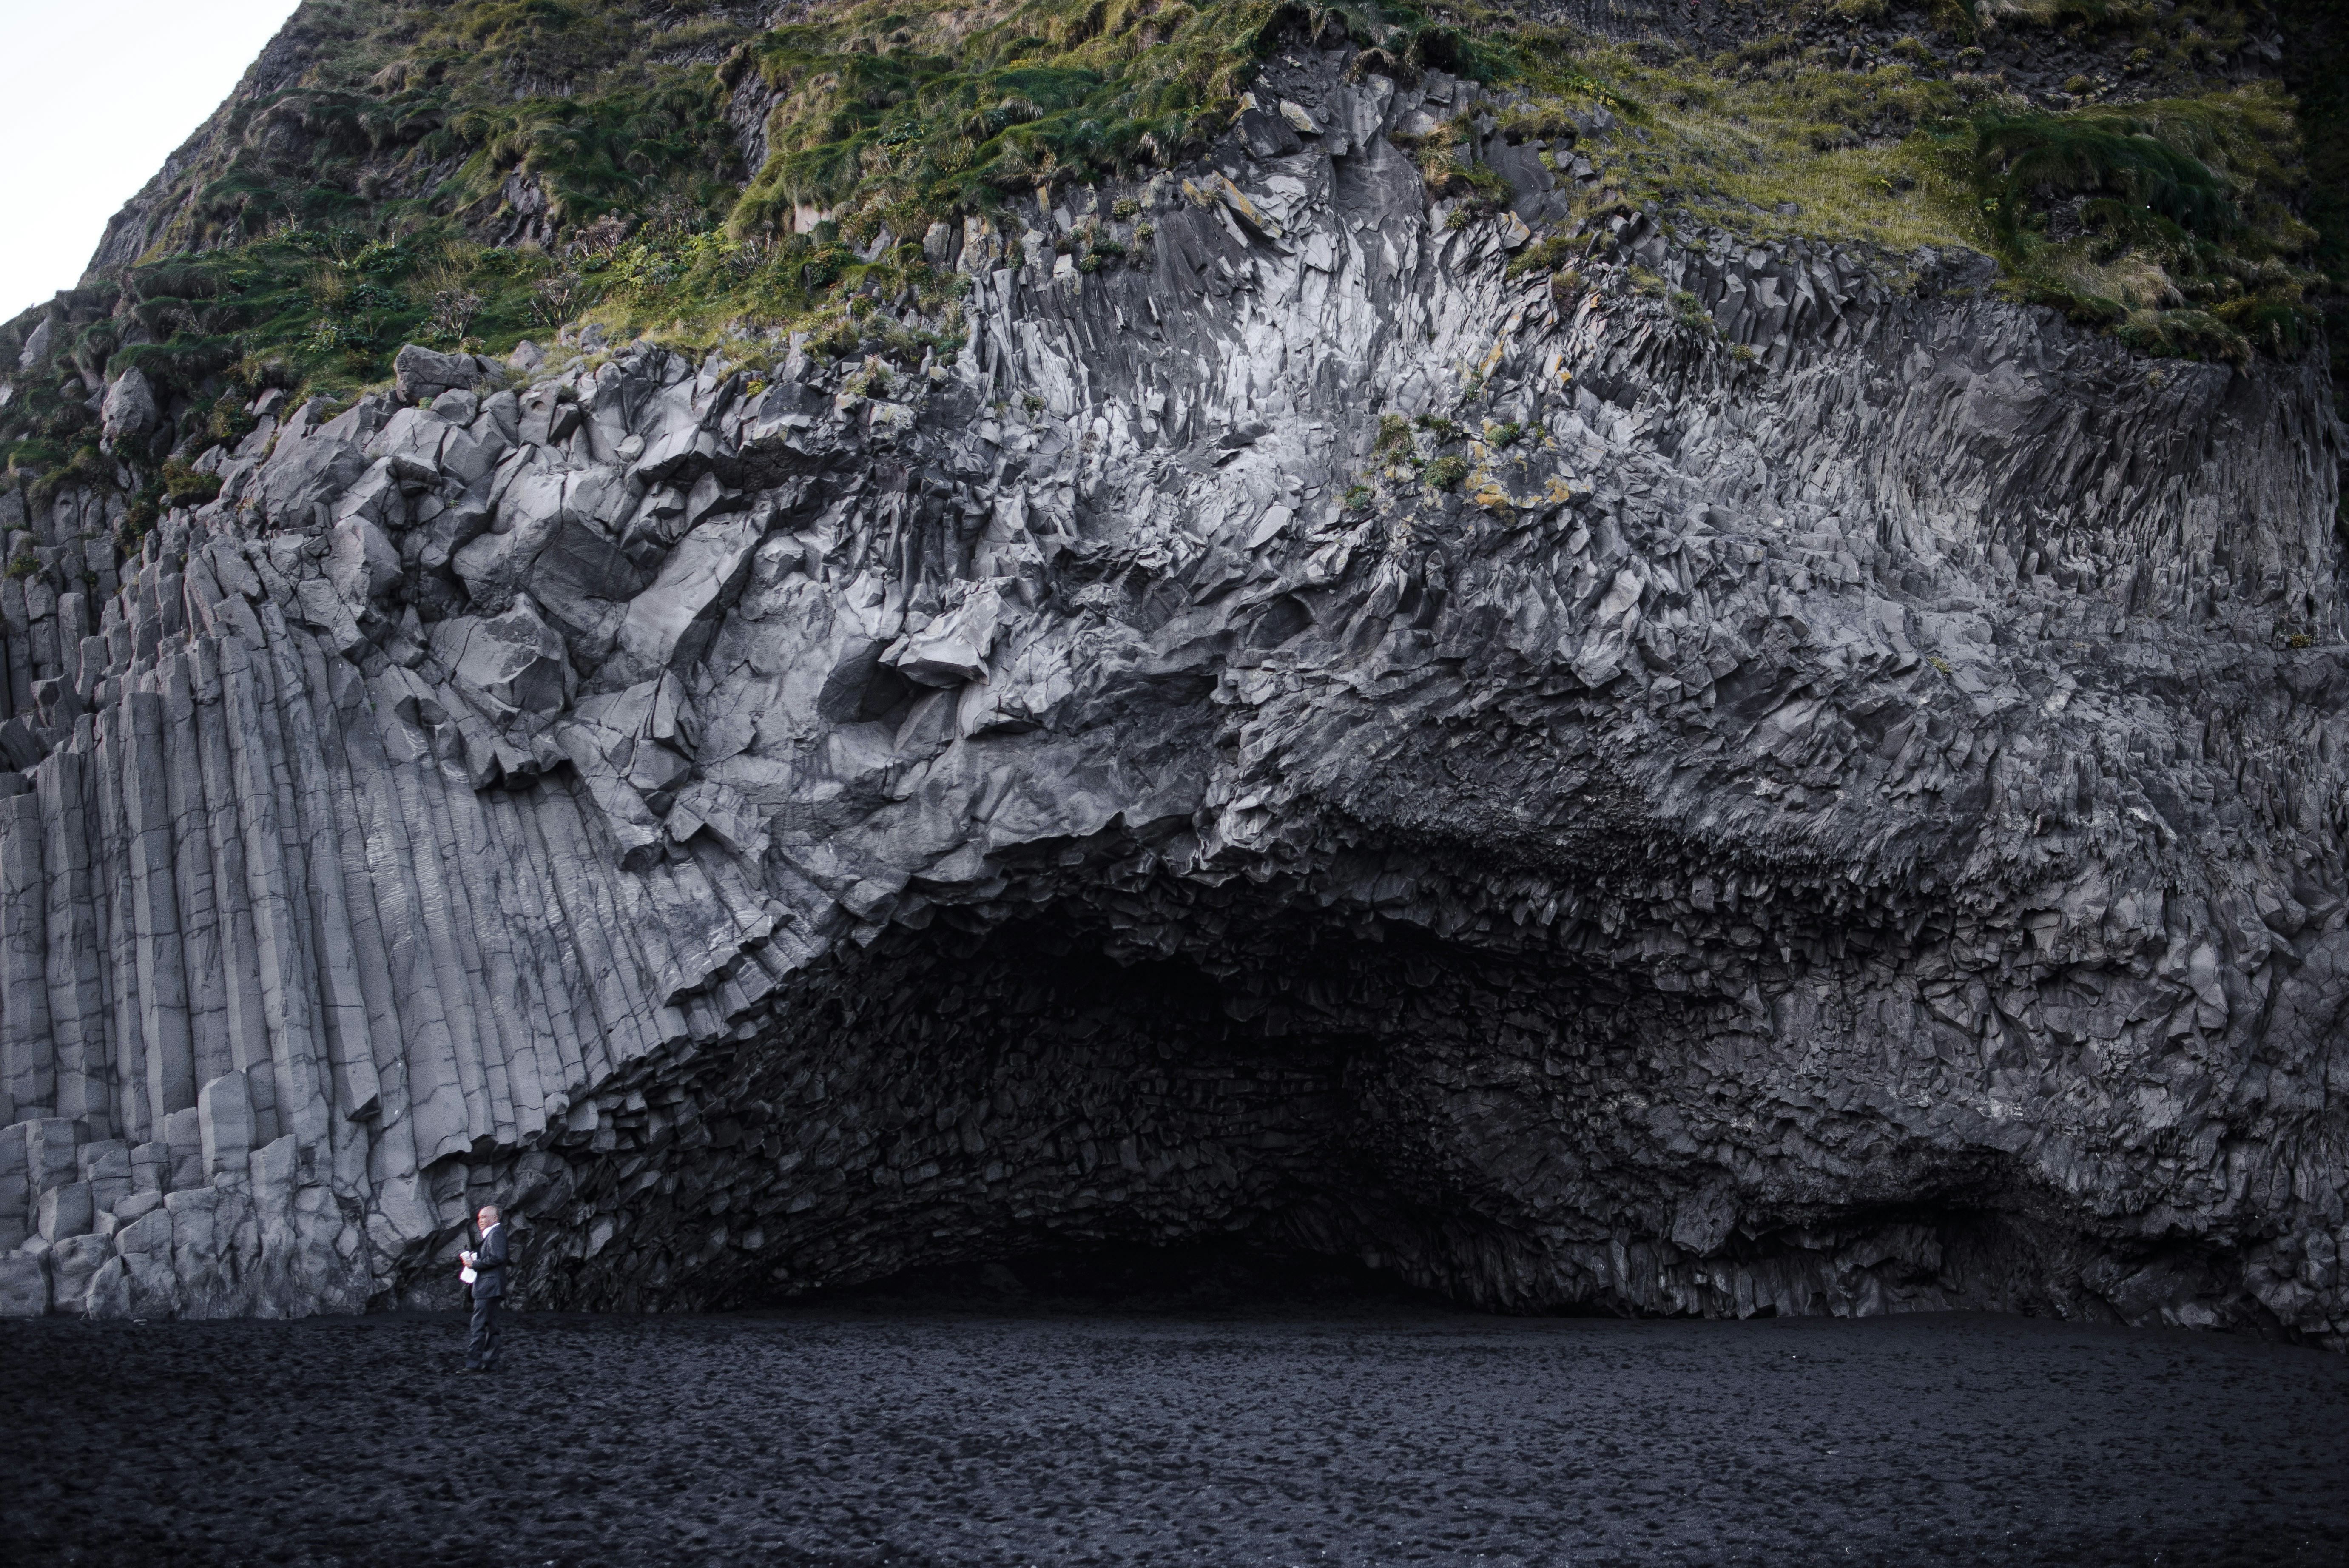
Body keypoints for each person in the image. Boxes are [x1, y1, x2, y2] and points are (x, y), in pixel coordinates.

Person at [459, 1205, 509, 1374]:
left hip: (488, 1288)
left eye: (484, 1217)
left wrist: (475, 1264)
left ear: (495, 1219)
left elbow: (497, 1257)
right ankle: (491, 1365)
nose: (480, 1221)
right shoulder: (496, 1234)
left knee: (479, 1326)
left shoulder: (496, 1233)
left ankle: (473, 1365)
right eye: (479, 1218)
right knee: (492, 1328)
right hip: (494, 1288)